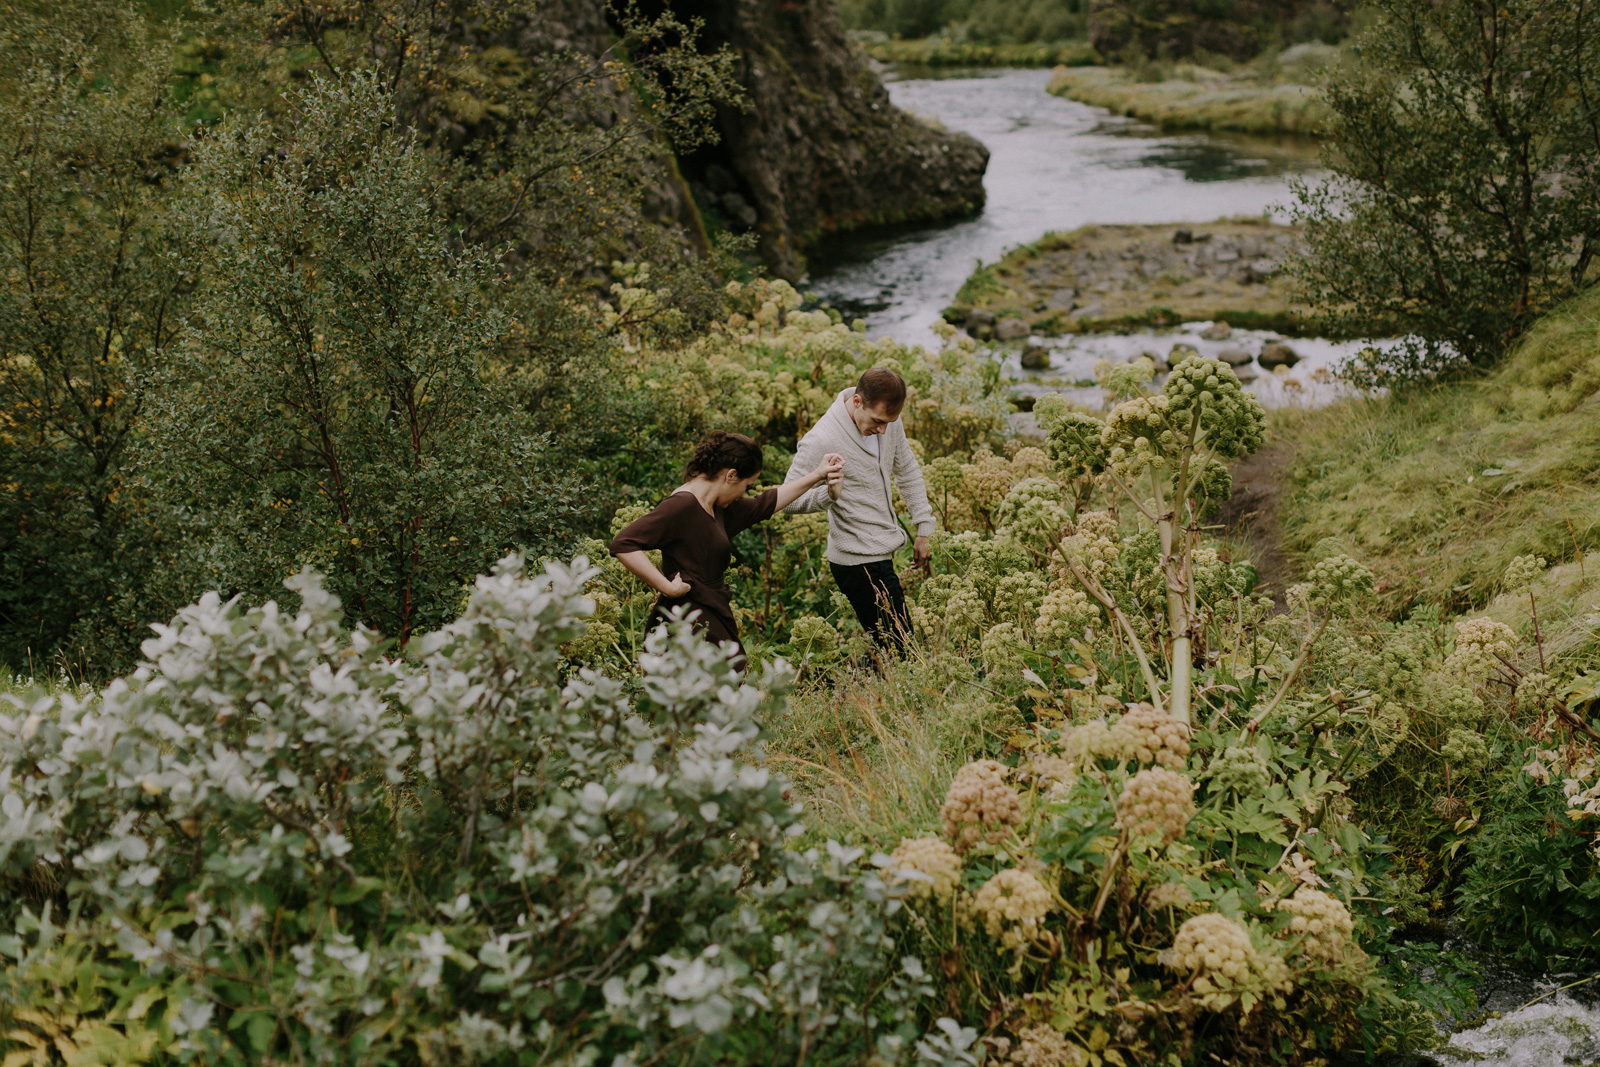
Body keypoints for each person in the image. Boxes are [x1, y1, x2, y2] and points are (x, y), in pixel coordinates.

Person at [610, 431, 843, 665]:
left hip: (711, 613)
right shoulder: (682, 505)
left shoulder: (716, 506)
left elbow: (767, 503)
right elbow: (624, 544)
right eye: (746, 485)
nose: (745, 493)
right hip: (687, 621)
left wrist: (817, 475)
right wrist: (666, 587)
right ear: (731, 475)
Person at [782, 368, 934, 654]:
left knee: (891, 647)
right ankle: (860, 693)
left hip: (882, 552)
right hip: (856, 561)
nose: (883, 430)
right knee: (901, 650)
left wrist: (924, 529)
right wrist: (829, 495)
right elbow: (787, 499)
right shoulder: (822, 438)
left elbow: (907, 470)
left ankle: (860, 689)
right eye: (877, 421)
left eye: (890, 422)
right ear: (856, 401)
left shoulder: (888, 422)